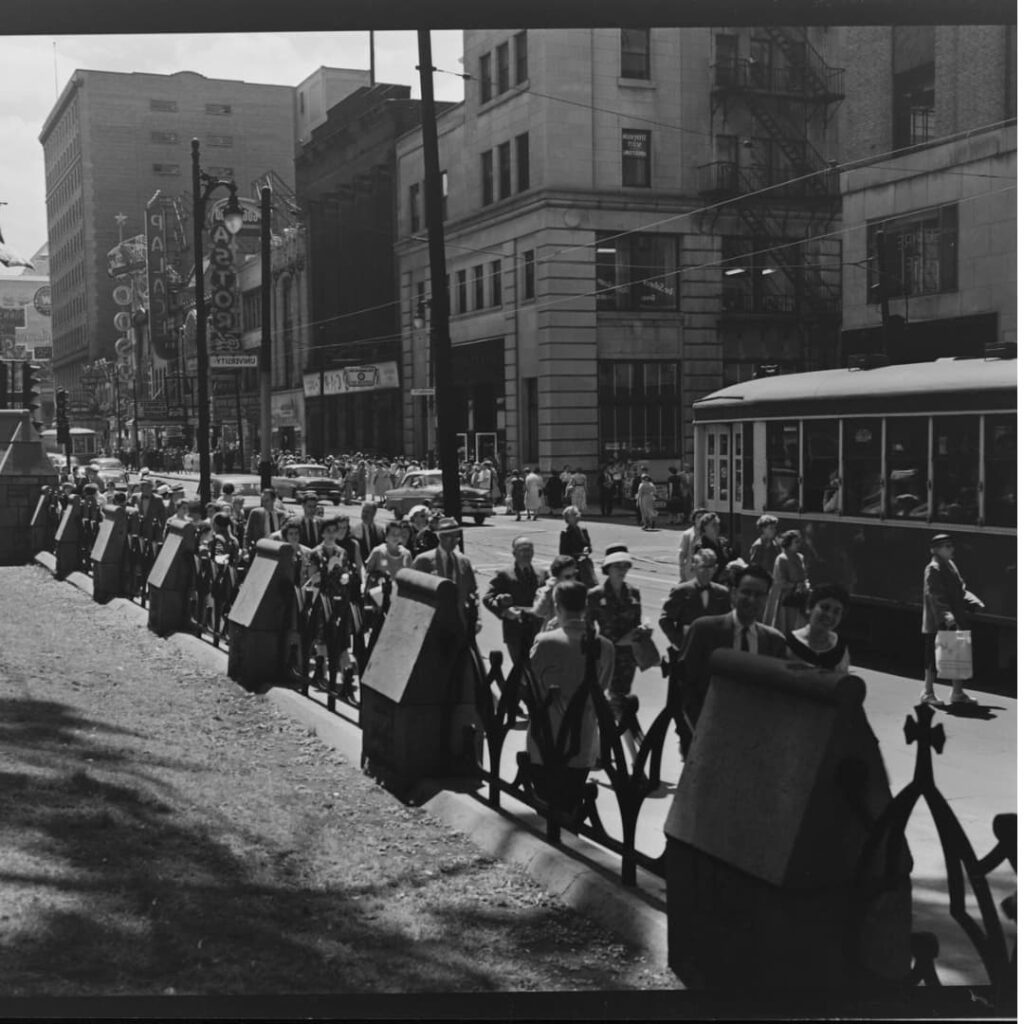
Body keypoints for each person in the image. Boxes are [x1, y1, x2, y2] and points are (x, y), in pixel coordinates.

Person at [676, 563, 789, 745]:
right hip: (704, 732)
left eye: (759, 595)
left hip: (751, 738)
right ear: (734, 593)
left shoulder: (774, 641)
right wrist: (698, 730)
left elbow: (775, 696)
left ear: (767, 599)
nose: (752, 599)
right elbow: (684, 685)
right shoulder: (704, 630)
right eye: (746, 592)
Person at [526, 581, 615, 801]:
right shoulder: (605, 646)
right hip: (583, 738)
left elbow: (529, 682)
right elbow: (602, 686)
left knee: (545, 801)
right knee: (571, 801)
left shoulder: (545, 642)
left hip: (546, 738)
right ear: (585, 607)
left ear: (557, 606)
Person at [585, 544, 651, 755]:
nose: (622, 570)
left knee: (617, 702)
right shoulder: (595, 595)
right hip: (606, 657)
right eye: (617, 566)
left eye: (625, 565)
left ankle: (600, 749)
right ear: (608, 568)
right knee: (618, 704)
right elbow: (587, 629)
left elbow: (637, 621)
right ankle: (633, 754)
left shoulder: (633, 592)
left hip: (627, 659)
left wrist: (642, 629)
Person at [921, 533, 985, 706]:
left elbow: (960, 588)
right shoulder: (933, 568)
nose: (951, 549)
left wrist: (972, 601)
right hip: (937, 621)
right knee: (932, 657)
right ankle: (927, 692)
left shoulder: (950, 565)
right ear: (935, 550)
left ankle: (957, 693)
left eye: (951, 545)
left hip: (954, 617)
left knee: (957, 653)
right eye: (947, 546)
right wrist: (947, 616)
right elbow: (935, 595)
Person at [482, 536, 549, 663]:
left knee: (538, 667)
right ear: (514, 553)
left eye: (529, 549)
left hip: (538, 630)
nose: (526, 553)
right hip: (515, 631)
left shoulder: (543, 573)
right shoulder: (504, 574)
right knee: (520, 668)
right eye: (522, 550)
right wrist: (505, 611)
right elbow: (488, 598)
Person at [411, 516, 479, 631]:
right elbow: (413, 592)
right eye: (449, 537)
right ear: (440, 537)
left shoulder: (464, 562)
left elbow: (473, 592)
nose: (454, 541)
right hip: (431, 623)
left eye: (456, 537)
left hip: (459, 622)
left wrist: (478, 619)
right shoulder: (423, 561)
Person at [659, 549, 732, 651]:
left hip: (712, 651)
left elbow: (728, 623)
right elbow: (665, 619)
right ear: (695, 567)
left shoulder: (722, 593)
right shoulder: (681, 591)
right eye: (703, 567)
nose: (706, 571)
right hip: (686, 650)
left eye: (710, 567)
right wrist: (679, 642)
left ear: (715, 568)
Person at [785, 583, 851, 673]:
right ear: (809, 608)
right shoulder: (789, 642)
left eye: (836, 612)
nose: (829, 615)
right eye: (825, 608)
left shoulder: (840, 648)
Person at [764, 529, 808, 632]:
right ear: (789, 543)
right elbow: (780, 582)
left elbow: (803, 576)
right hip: (785, 599)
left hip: (799, 597)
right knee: (785, 625)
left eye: (799, 542)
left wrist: (804, 585)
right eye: (796, 542)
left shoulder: (800, 557)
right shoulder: (782, 559)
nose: (799, 544)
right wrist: (795, 585)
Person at [530, 555, 579, 632]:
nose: (573, 579)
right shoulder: (545, 592)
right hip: (551, 634)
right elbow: (539, 612)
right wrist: (549, 591)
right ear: (557, 577)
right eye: (568, 577)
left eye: (575, 574)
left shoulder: (578, 592)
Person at [364, 519, 412, 593]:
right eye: (393, 534)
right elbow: (368, 574)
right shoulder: (378, 551)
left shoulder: (407, 554)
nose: (396, 537)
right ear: (386, 536)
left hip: (398, 594)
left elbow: (409, 578)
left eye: (398, 534)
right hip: (379, 593)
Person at [694, 511, 729, 582]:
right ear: (704, 527)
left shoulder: (723, 542)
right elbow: (702, 571)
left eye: (718, 524)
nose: (717, 527)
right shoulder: (701, 546)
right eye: (713, 525)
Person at [677, 507, 709, 582]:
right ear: (694, 520)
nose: (701, 519)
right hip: (690, 571)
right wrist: (682, 569)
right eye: (698, 517)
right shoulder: (688, 534)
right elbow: (682, 553)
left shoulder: (709, 533)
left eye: (703, 517)